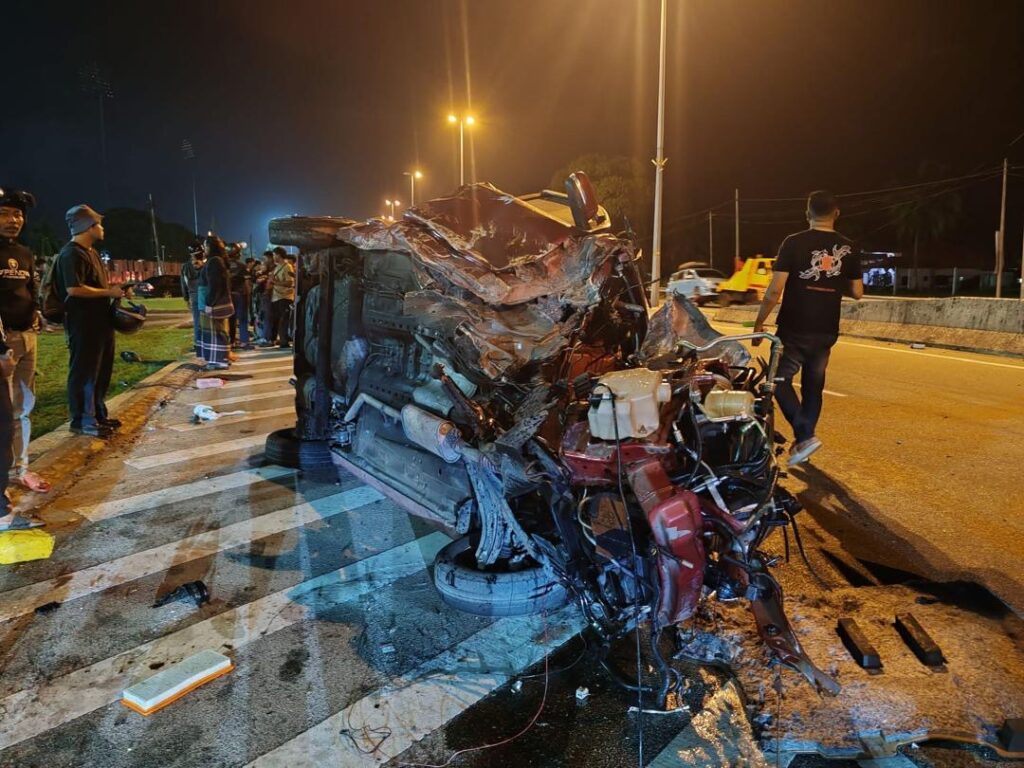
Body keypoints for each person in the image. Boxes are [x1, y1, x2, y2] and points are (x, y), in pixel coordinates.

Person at [753, 190, 863, 466]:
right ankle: (804, 439)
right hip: (826, 329)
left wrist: (759, 321)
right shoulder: (850, 247)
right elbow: (857, 292)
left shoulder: (793, 243)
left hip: (794, 326)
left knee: (778, 381)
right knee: (814, 386)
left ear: (807, 214)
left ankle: (805, 435)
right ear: (836, 213)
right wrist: (833, 283)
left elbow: (774, 290)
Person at [56, 205, 124, 438]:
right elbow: (74, 289)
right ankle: (82, 420)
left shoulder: (92, 252)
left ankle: (98, 415)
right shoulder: (71, 254)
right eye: (99, 224)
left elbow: (96, 286)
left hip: (101, 322)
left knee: (101, 370)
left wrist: (115, 291)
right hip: (83, 324)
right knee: (85, 372)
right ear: (88, 226)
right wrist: (108, 293)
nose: (102, 229)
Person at [0, 189, 50, 492]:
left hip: (27, 338)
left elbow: (31, 290)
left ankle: (20, 469)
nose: (13, 220)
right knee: (3, 414)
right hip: (3, 343)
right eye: (4, 213)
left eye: (17, 214)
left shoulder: (25, 253)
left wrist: (37, 313)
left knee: (23, 408)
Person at [197, 235, 233, 370]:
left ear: (211, 247)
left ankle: (219, 361)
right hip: (213, 302)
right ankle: (219, 359)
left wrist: (209, 303)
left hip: (213, 304)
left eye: (205, 246)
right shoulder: (216, 261)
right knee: (216, 331)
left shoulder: (215, 261)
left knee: (214, 333)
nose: (204, 249)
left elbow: (215, 285)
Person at [180, 240, 205, 358]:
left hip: (193, 295)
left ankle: (198, 345)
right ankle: (207, 344)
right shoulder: (205, 264)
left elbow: (183, 283)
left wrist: (186, 298)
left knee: (197, 321)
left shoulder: (185, 266)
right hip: (205, 294)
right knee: (208, 321)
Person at [266, 247, 295, 348]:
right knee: (275, 319)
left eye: (274, 255)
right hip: (276, 296)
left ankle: (284, 341)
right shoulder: (277, 267)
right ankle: (273, 339)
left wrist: (274, 282)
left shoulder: (287, 267)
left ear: (279, 255)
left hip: (285, 297)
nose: (273, 257)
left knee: (284, 320)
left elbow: (289, 282)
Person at [226, 243, 252, 350]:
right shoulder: (242, 265)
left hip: (229, 294)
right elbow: (247, 282)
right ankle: (244, 342)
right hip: (241, 294)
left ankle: (231, 341)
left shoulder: (223, 265)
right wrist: (249, 295)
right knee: (243, 319)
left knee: (231, 319)